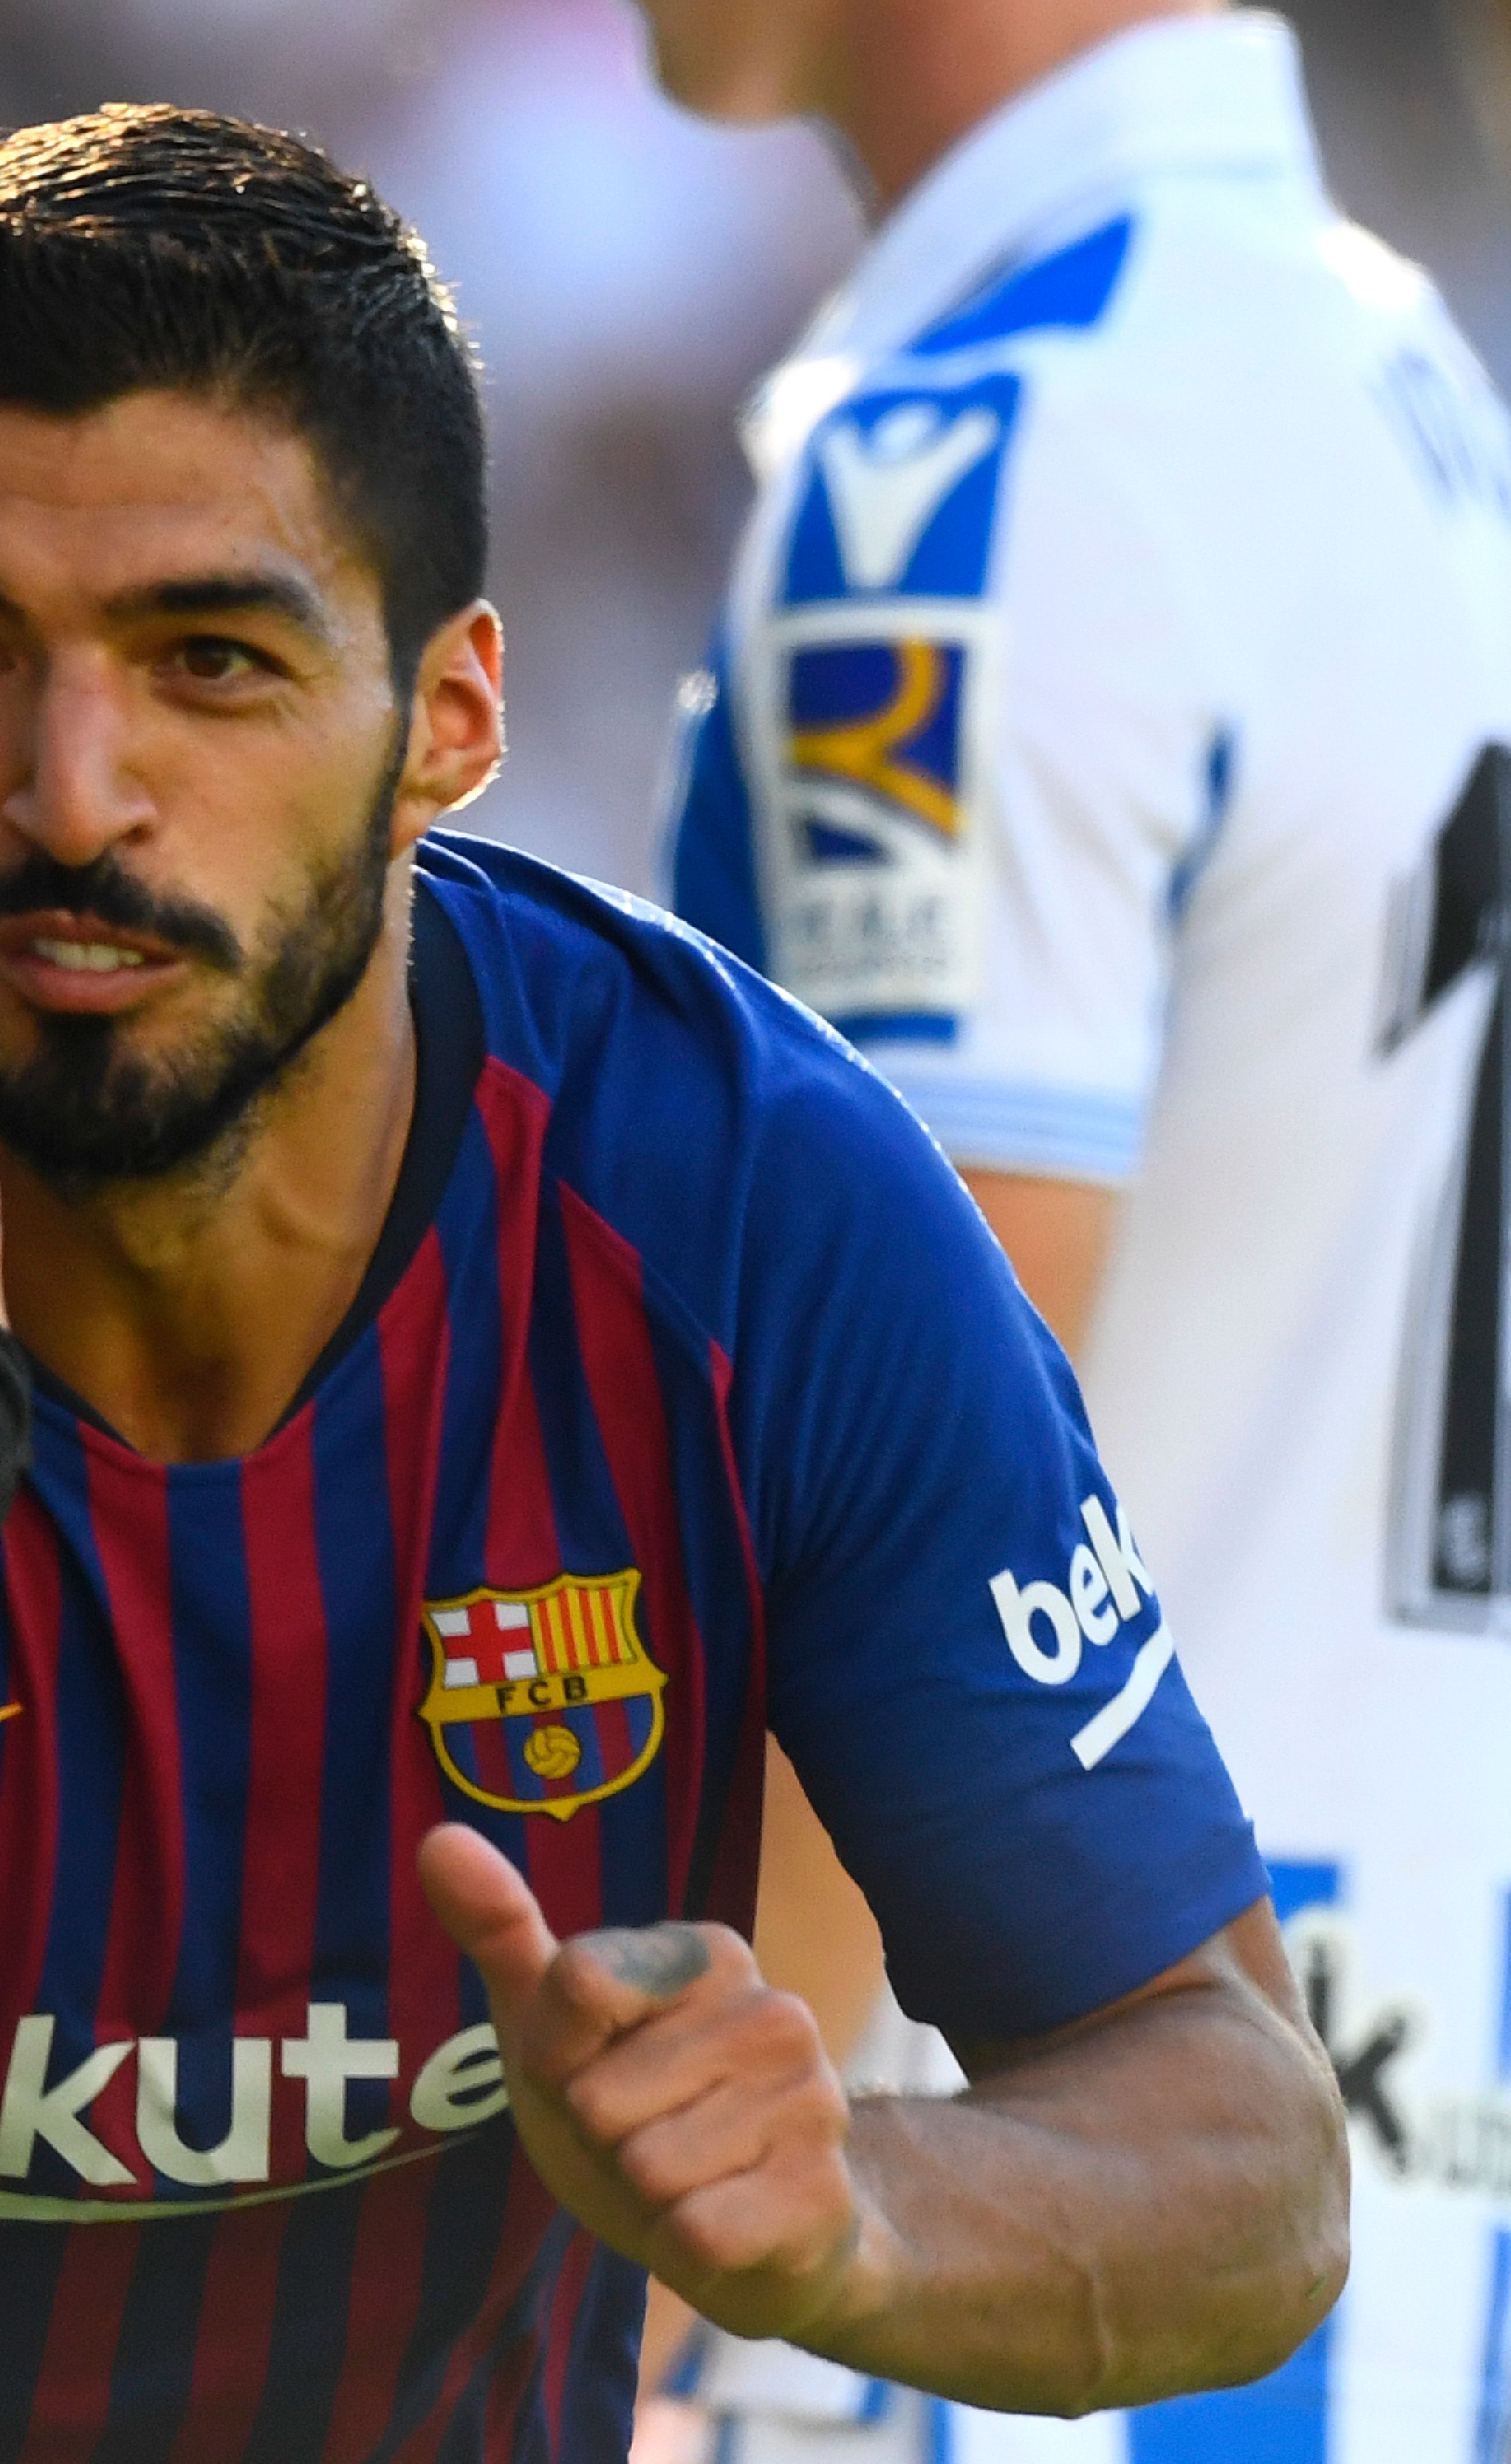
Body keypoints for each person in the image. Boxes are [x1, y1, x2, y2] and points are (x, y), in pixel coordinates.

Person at [0, 106, 1344, 2463]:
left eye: (209, 660)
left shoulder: (750, 1212)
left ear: (452, 715)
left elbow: (1242, 2155)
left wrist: (853, 2213)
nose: (71, 788)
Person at [641, 6, 1511, 2457]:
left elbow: (906, 1467)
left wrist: (683, 2339)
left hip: (1015, 2263)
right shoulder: (1388, 374)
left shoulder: (987, 462)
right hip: (1386, 2249)